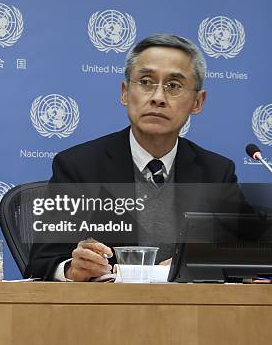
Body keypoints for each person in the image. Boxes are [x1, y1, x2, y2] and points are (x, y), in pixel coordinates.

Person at [26, 34, 245, 282]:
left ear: (197, 101)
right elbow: (40, 263)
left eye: (173, 86)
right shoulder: (79, 166)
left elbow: (243, 258)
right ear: (125, 93)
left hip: (192, 315)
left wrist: (203, 261)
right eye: (145, 81)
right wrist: (71, 269)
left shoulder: (216, 173)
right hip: (104, 313)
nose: (158, 97)